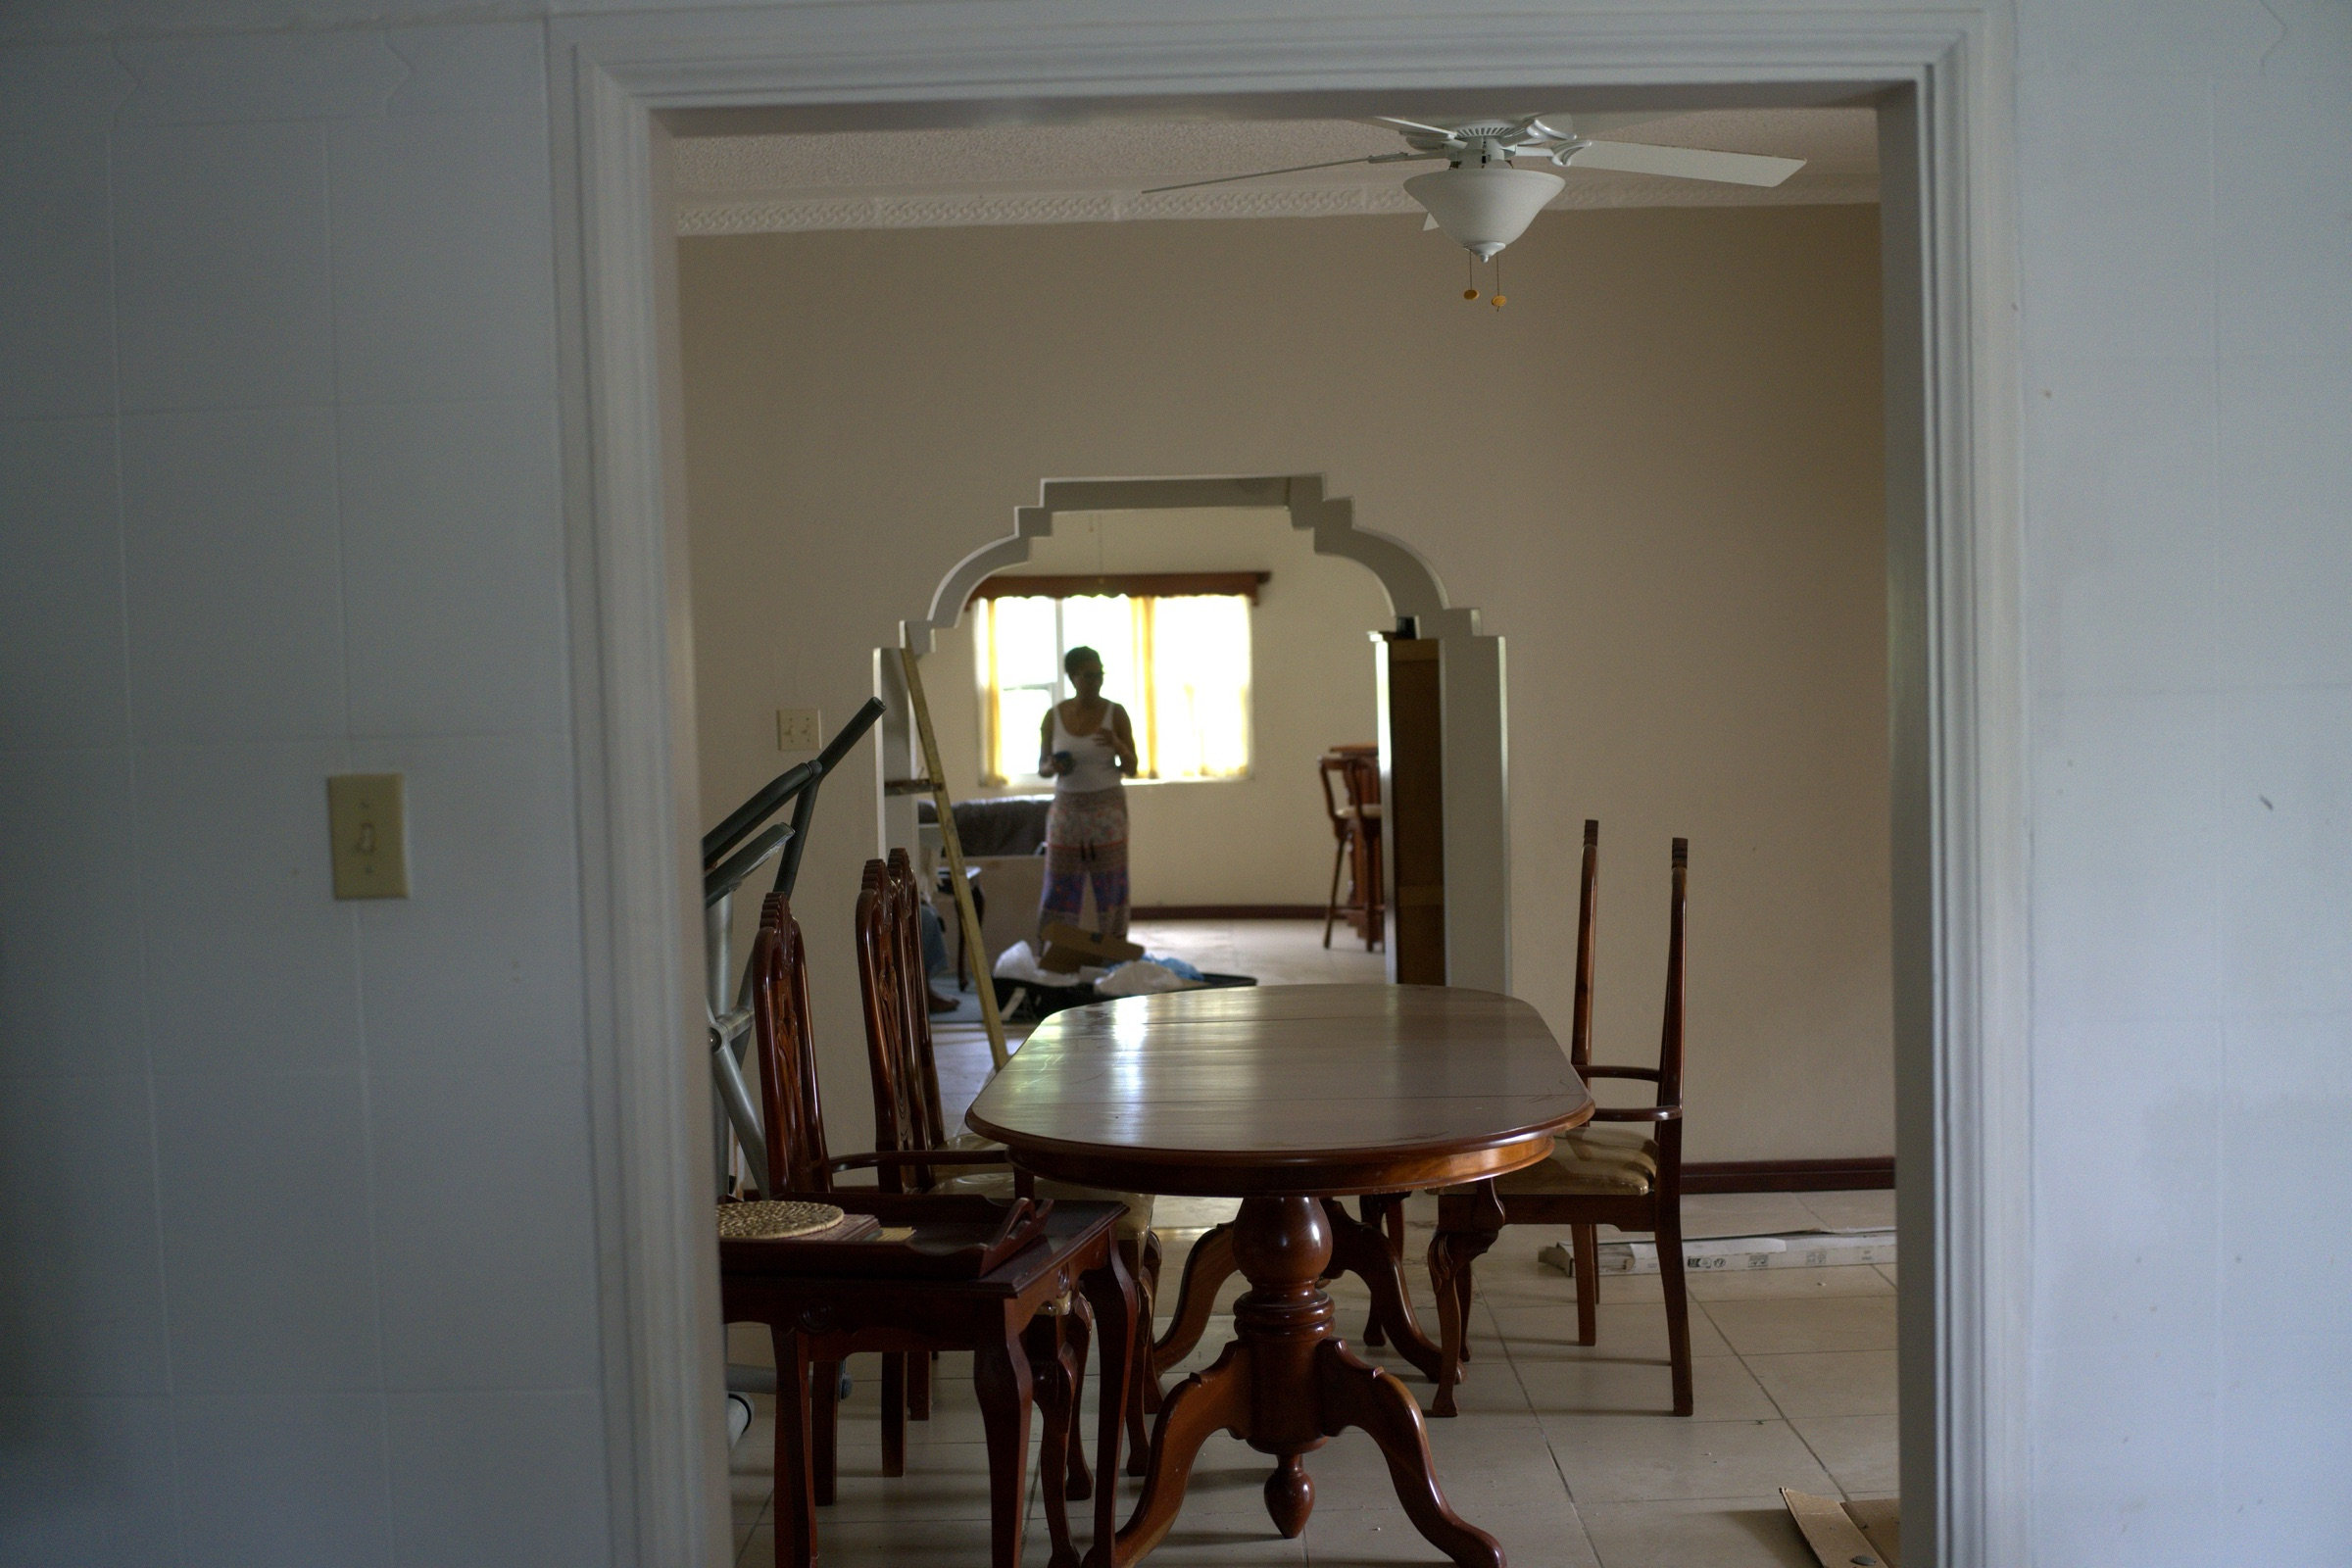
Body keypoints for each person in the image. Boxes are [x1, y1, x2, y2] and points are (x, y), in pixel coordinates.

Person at [1037, 645, 1139, 943]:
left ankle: (1113, 950)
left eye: (1100, 675)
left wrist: (1117, 745)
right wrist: (1053, 765)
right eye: (1089, 676)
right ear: (1072, 677)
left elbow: (1132, 767)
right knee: (1060, 885)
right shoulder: (1053, 716)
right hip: (1066, 813)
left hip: (1107, 812)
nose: (1096, 681)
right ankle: (1055, 950)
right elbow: (1042, 766)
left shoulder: (1115, 712)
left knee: (1111, 886)